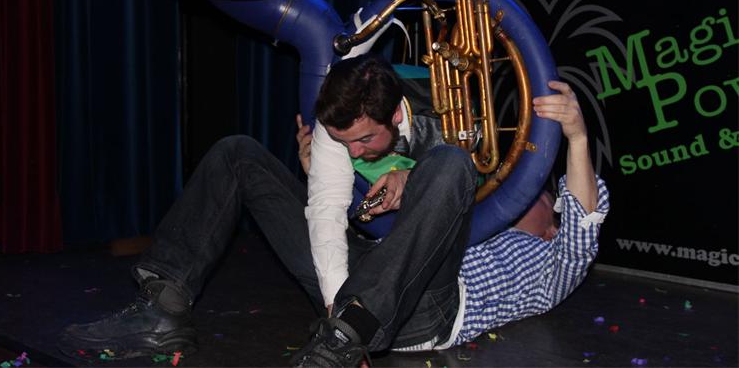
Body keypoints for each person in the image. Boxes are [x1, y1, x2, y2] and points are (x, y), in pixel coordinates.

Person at [59, 54, 608, 367]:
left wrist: (578, 136)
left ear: (554, 221)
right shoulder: (476, 219)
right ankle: (163, 305)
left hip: (427, 309)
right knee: (238, 153)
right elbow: (339, 214)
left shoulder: (553, 263)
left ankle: (347, 335)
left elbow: (582, 223)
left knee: (450, 161)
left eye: (540, 197)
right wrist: (338, 296)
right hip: (359, 283)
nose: (521, 200)